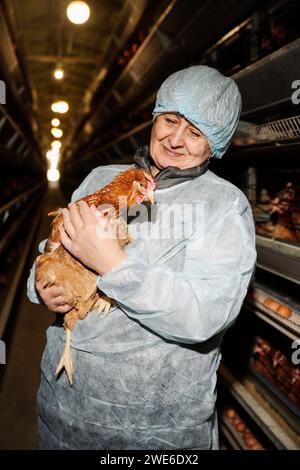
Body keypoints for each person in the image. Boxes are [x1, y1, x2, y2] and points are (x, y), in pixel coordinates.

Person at [27, 65, 256, 450]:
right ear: (156, 115)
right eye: (170, 120)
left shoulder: (224, 207)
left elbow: (203, 315)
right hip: (64, 409)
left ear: (213, 144)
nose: (175, 139)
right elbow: (51, 250)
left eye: (195, 132)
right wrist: (42, 286)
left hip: (150, 429)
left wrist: (114, 265)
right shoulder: (100, 178)